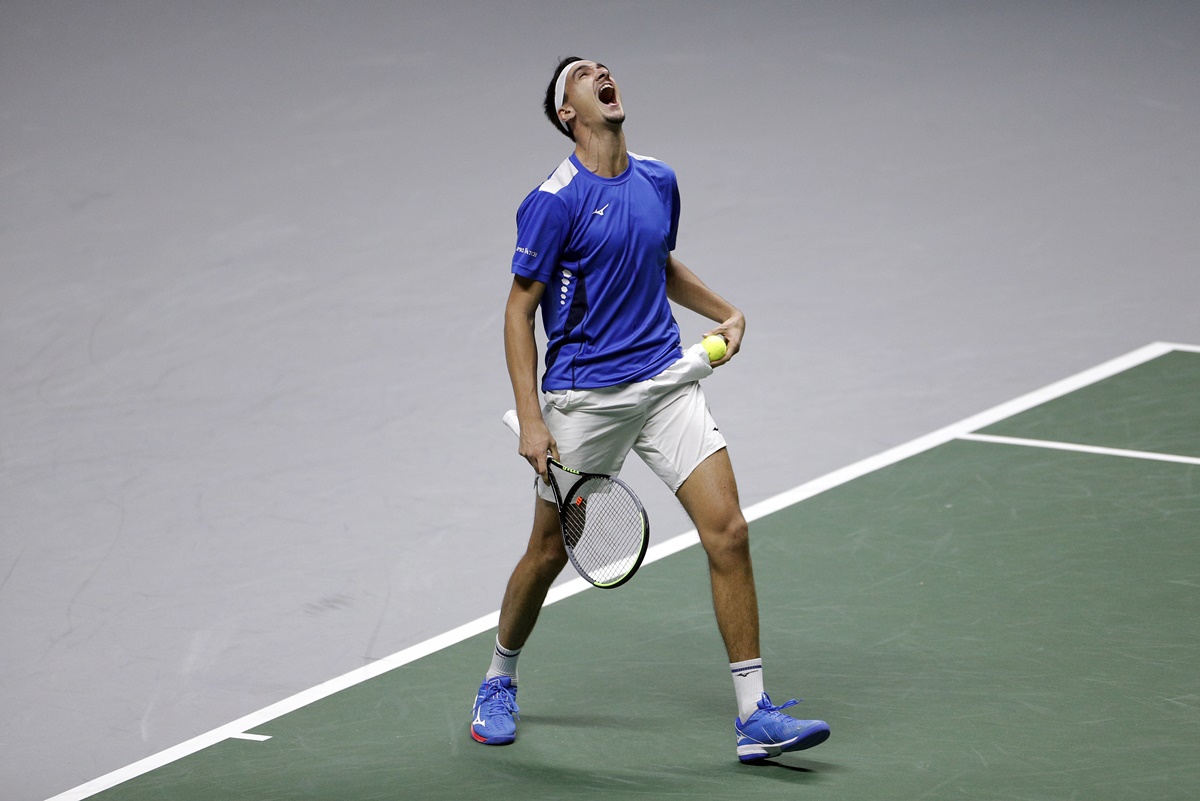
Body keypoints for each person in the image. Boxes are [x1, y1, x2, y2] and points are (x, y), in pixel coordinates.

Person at [470, 56, 830, 763]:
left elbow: (659, 263)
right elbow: (518, 312)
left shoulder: (658, 178)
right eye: (581, 74)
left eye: (602, 66)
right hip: (585, 399)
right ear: (568, 112)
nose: (600, 71)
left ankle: (754, 715)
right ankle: (498, 678)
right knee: (547, 550)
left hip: (665, 380)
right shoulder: (554, 199)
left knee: (728, 530)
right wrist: (532, 418)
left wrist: (724, 307)